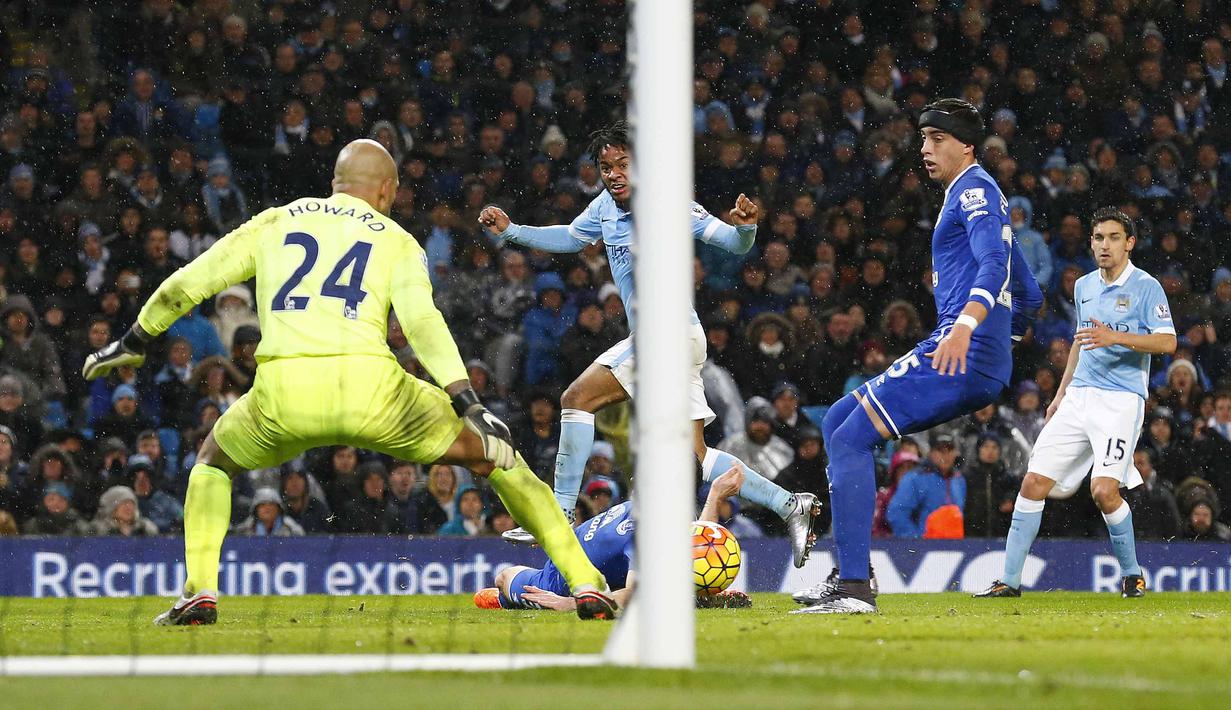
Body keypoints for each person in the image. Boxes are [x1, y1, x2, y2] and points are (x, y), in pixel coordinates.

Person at [82, 139, 616, 624]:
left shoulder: (275, 221)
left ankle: (200, 590)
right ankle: (586, 582)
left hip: (283, 393)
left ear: (336, 182)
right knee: (497, 457)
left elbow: (190, 282)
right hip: (374, 391)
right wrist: (467, 399)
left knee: (211, 462)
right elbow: (423, 323)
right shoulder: (397, 240)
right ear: (387, 189)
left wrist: (134, 338)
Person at [481, 122, 818, 568]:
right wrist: (512, 232)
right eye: (606, 167)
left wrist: (748, 229)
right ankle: (792, 505)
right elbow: (570, 237)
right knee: (695, 458)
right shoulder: (604, 206)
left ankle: (558, 512)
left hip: (670, 337)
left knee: (576, 399)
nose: (614, 174)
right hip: (663, 341)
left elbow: (731, 242)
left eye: (623, 164)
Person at [795, 99, 1043, 614]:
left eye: (937, 140)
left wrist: (969, 331)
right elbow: (1030, 293)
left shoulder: (973, 191)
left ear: (967, 146)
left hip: (958, 346)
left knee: (850, 438)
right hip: (973, 352)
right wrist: (1003, 349)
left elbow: (995, 265)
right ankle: (850, 569)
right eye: (923, 138)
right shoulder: (984, 196)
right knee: (840, 420)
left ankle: (855, 587)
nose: (925, 149)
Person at [976, 208, 1176, 600]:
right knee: (1033, 483)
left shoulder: (1147, 286)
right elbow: (1081, 345)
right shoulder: (1083, 286)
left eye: (1114, 237)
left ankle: (1132, 575)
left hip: (1121, 400)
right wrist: (1060, 393)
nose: (1105, 245)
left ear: (1129, 243)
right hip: (1079, 395)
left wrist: (1116, 338)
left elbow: (1167, 342)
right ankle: (1009, 581)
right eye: (1099, 237)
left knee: (1103, 491)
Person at [474, 463, 754, 611]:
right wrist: (715, 493)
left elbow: (632, 593)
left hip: (562, 582)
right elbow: (698, 540)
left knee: (504, 577)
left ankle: (505, 601)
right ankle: (683, 596)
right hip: (563, 557)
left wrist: (569, 603)